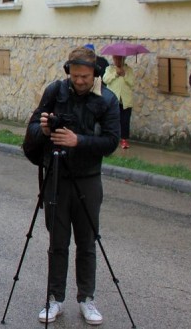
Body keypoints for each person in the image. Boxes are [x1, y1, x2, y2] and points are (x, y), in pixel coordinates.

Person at [23, 47, 120, 326]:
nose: (80, 81)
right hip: (56, 178)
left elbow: (112, 141)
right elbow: (31, 129)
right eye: (75, 75)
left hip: (88, 179)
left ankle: (87, 299)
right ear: (68, 72)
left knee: (87, 242)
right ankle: (55, 299)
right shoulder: (55, 92)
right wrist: (41, 131)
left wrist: (80, 141)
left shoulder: (107, 100)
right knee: (57, 243)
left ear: (95, 74)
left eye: (85, 76)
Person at [103, 55, 135, 149]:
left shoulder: (129, 70)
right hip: (113, 100)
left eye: (120, 59)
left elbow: (132, 83)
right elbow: (105, 79)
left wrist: (124, 75)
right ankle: (111, 138)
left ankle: (124, 140)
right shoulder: (109, 69)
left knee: (125, 120)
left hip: (125, 101)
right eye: (115, 58)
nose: (117, 61)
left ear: (123, 59)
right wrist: (115, 74)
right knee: (112, 120)